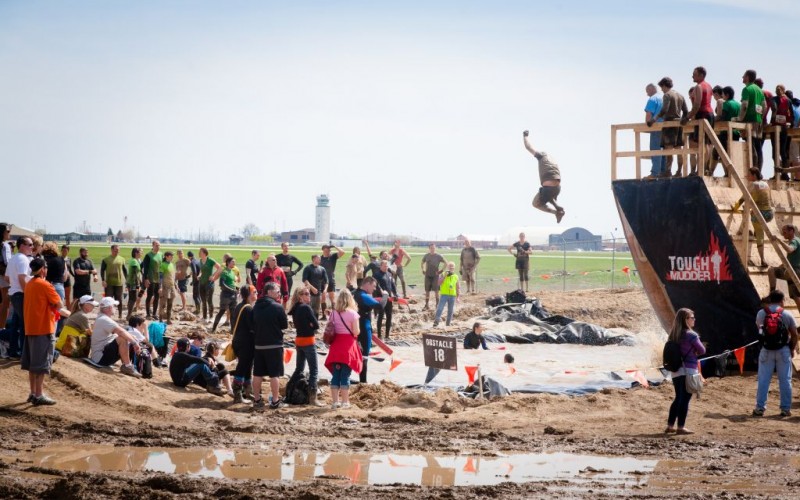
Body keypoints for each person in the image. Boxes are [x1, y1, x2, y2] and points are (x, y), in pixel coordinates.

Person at [22, 257, 70, 405]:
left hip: (30, 328)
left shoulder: (29, 284)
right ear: (43, 269)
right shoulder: (45, 285)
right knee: (42, 365)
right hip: (43, 328)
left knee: (32, 365)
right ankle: (38, 394)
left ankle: (32, 393)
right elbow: (59, 303)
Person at [753, 290, 798, 417]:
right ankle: (785, 409)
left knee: (763, 380)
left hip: (766, 350)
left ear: (770, 299)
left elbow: (760, 330)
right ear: (782, 300)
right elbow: (794, 334)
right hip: (783, 350)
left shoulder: (761, 313)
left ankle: (760, 408)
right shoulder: (787, 314)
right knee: (785, 381)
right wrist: (792, 349)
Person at [664, 308, 705, 435]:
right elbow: (702, 350)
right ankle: (681, 427)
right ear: (685, 320)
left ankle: (670, 425)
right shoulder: (691, 335)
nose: (694, 320)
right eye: (692, 318)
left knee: (678, 398)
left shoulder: (674, 335)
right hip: (688, 370)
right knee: (685, 399)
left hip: (675, 371)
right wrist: (695, 351)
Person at [251, 282, 289, 410]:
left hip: (259, 344)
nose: (279, 293)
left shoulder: (256, 306)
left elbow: (253, 324)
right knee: (274, 374)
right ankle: (275, 400)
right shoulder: (277, 307)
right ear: (269, 292)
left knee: (257, 373)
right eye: (277, 291)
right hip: (274, 345)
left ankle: (256, 399)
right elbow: (285, 325)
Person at [324, 288, 362, 409]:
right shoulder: (353, 314)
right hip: (348, 345)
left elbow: (330, 328)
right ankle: (345, 402)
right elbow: (356, 332)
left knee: (336, 373)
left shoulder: (334, 313)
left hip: (336, 345)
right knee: (345, 374)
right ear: (350, 299)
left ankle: (335, 402)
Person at [287, 285, 323, 406]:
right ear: (300, 296)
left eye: (309, 294)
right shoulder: (306, 308)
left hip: (299, 340)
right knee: (314, 370)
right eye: (306, 294)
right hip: (308, 340)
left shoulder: (295, 308)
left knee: (299, 369)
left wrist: (310, 324)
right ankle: (313, 398)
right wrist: (310, 325)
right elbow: (316, 325)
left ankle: (289, 390)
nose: (309, 296)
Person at [89, 296, 143, 376]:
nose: (115, 308)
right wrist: (134, 343)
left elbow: (121, 331)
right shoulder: (104, 319)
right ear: (110, 308)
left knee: (129, 336)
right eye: (114, 306)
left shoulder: (102, 318)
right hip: (100, 358)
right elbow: (120, 332)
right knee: (123, 338)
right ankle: (127, 366)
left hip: (101, 354)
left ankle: (126, 364)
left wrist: (133, 339)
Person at [733, 168, 773, 267]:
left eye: (749, 174)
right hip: (769, 214)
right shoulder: (766, 184)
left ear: (754, 175)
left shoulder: (753, 185)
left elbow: (743, 198)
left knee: (760, 235)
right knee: (753, 214)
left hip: (759, 215)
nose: (747, 176)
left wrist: (735, 208)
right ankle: (753, 231)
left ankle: (763, 260)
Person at [649, 77, 688, 177]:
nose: (661, 90)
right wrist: (683, 121)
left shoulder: (667, 95)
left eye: (661, 87)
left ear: (664, 85)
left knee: (668, 149)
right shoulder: (680, 96)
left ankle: (668, 171)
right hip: (679, 124)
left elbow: (664, 110)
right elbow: (686, 111)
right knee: (679, 149)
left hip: (669, 124)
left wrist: (654, 119)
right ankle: (679, 171)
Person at [523, 130, 565, 222]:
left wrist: (525, 136)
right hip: (557, 188)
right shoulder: (553, 161)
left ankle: (556, 212)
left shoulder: (541, 156)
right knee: (546, 194)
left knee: (536, 203)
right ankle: (557, 207)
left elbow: (528, 147)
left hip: (548, 189)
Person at [5, 236, 33, 358]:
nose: (32, 247)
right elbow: (22, 277)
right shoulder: (23, 259)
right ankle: (23, 352)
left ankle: (13, 350)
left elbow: (7, 278)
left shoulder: (13, 258)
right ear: (22, 245)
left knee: (15, 324)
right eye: (30, 244)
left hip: (14, 293)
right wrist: (27, 293)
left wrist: (15, 284)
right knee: (25, 324)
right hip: (20, 294)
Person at [685, 66, 715, 176]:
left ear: (701, 75)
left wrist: (688, 116)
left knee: (700, 143)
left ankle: (700, 169)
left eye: (695, 74)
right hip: (710, 114)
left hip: (702, 114)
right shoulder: (709, 86)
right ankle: (704, 168)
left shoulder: (698, 86)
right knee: (707, 143)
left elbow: (697, 104)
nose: (692, 76)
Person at [353, 277, 383, 384]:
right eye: (374, 286)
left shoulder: (354, 293)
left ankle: (346, 379)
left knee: (356, 354)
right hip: (363, 327)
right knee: (364, 355)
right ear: (367, 284)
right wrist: (385, 296)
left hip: (353, 327)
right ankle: (363, 382)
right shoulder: (363, 295)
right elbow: (379, 306)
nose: (374, 289)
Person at [231, 284, 257, 403]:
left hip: (238, 340)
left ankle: (247, 392)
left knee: (247, 366)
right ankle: (238, 395)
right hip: (246, 342)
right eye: (255, 292)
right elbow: (253, 327)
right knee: (242, 367)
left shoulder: (239, 306)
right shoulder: (248, 309)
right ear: (249, 295)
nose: (256, 294)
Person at [767, 224, 800, 311]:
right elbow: (793, 259)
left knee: (771, 270)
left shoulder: (794, 241)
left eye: (785, 231)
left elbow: (790, 249)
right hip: (795, 272)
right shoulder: (798, 240)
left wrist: (779, 240)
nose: (783, 233)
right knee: (795, 296)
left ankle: (773, 294)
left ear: (791, 231)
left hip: (793, 271)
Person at [738, 69, 766, 172]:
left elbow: (744, 105)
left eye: (744, 76)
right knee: (758, 147)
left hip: (749, 121)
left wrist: (740, 119)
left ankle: (753, 171)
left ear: (748, 77)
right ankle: (759, 171)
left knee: (751, 146)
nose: (742, 77)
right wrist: (760, 117)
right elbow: (764, 106)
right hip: (758, 121)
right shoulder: (759, 90)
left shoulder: (747, 89)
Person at [42, 241, 68, 333]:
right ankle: (57, 331)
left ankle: (50, 330)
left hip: (48, 286)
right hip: (59, 286)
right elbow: (65, 277)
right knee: (59, 310)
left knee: (48, 311)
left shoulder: (44, 260)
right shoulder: (61, 259)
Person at [370, 259, 397, 339]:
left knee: (389, 316)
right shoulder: (376, 275)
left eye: (387, 266)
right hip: (380, 299)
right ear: (380, 266)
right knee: (381, 316)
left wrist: (395, 294)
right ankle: (379, 335)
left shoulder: (389, 274)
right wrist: (382, 292)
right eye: (384, 266)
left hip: (389, 299)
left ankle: (387, 335)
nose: (386, 267)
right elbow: (377, 286)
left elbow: (392, 285)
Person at [212, 256, 239, 332]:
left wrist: (237, 288)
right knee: (222, 311)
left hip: (233, 295)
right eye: (233, 262)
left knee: (233, 313)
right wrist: (232, 290)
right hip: (226, 295)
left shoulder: (232, 272)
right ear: (228, 263)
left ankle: (232, 330)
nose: (234, 263)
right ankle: (214, 328)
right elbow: (222, 284)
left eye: (234, 262)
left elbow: (232, 283)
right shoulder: (224, 272)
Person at [644, 83, 665, 178]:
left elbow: (649, 114)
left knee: (655, 149)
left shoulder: (652, 99)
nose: (647, 94)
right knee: (664, 150)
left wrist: (647, 125)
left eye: (647, 91)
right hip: (666, 127)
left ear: (651, 89)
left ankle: (655, 173)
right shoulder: (664, 98)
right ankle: (663, 172)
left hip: (656, 127)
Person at [771, 84, 794, 173]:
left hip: (775, 127)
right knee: (783, 151)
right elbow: (791, 114)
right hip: (784, 127)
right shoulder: (788, 100)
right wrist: (791, 124)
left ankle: (778, 172)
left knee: (775, 152)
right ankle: (784, 173)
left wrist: (772, 121)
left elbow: (774, 110)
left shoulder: (774, 99)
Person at [101, 244, 127, 320]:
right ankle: (106, 315)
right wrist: (103, 280)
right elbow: (102, 270)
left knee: (119, 299)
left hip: (119, 283)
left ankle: (120, 314)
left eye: (118, 250)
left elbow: (125, 270)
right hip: (109, 283)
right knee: (108, 300)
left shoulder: (122, 259)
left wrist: (127, 280)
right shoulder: (106, 260)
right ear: (111, 250)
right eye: (116, 250)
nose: (117, 251)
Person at [320, 244, 345, 319]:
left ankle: (335, 315)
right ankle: (324, 316)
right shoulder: (320, 258)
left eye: (329, 249)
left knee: (332, 298)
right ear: (323, 250)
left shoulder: (332, 257)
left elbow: (342, 252)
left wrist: (335, 246)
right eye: (327, 249)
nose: (329, 251)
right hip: (322, 281)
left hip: (331, 279)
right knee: (323, 298)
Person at [197, 247, 221, 322]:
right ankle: (204, 317)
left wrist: (213, 275)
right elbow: (201, 271)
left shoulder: (210, 260)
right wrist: (199, 275)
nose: (199, 253)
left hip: (209, 284)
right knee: (203, 301)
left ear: (204, 253)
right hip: (201, 283)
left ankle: (211, 317)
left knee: (209, 300)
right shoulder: (200, 261)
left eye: (200, 252)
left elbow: (219, 268)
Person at [433, 262, 460, 328]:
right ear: (447, 267)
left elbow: (457, 287)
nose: (451, 268)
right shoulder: (443, 274)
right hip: (444, 294)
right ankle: (436, 322)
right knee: (440, 308)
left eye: (452, 267)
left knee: (450, 310)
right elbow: (439, 283)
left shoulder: (456, 276)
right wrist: (444, 276)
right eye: (450, 266)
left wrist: (458, 296)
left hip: (452, 295)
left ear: (454, 268)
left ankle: (448, 323)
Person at [301, 255, 328, 319]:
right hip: (309, 293)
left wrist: (325, 290)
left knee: (317, 309)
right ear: (313, 259)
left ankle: (315, 322)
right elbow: (304, 279)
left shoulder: (322, 269)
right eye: (318, 259)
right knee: (309, 308)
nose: (320, 260)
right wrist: (312, 288)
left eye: (320, 259)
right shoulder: (308, 268)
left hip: (318, 292)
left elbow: (326, 281)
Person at [420, 243, 445, 310]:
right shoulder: (426, 256)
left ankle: (437, 304)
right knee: (427, 291)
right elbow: (422, 262)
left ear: (435, 248)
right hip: (427, 275)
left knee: (436, 291)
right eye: (431, 248)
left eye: (433, 248)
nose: (432, 249)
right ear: (429, 248)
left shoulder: (438, 256)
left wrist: (441, 271)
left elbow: (446, 263)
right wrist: (423, 269)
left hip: (435, 276)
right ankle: (426, 305)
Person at [158, 251, 177, 324]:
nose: (172, 257)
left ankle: (168, 319)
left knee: (170, 304)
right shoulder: (163, 265)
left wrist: (176, 285)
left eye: (172, 256)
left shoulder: (172, 265)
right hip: (165, 286)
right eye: (171, 256)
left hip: (172, 286)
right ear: (166, 256)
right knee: (163, 304)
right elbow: (160, 277)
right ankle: (160, 319)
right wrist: (160, 287)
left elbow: (173, 277)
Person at [125, 248, 143, 320]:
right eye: (140, 252)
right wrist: (138, 283)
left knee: (131, 298)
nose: (141, 254)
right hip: (133, 282)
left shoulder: (135, 261)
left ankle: (129, 314)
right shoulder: (134, 262)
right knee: (133, 298)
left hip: (132, 282)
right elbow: (135, 274)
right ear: (136, 253)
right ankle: (129, 315)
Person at [0, 223, 12, 328]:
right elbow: (7, 262)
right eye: (7, 231)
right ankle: (2, 328)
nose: (9, 233)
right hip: (3, 275)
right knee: (5, 303)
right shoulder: (5, 245)